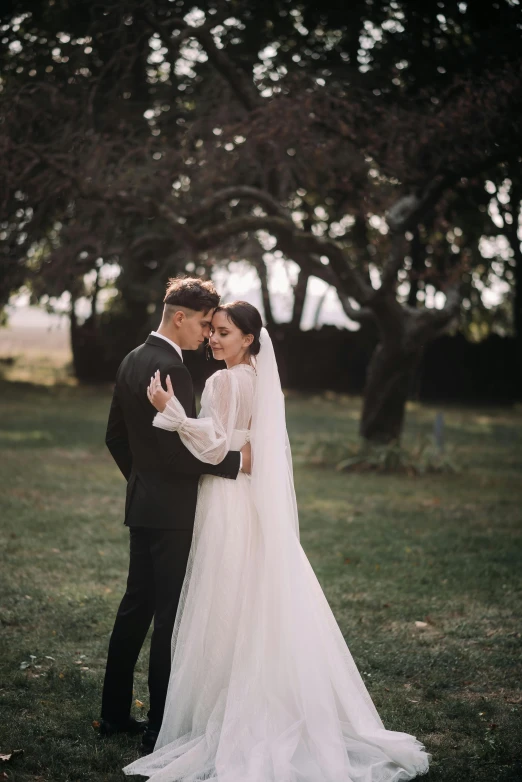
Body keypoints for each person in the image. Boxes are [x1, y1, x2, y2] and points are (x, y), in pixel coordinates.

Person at [123, 301, 431, 782]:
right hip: (247, 498)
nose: (214, 339)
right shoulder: (257, 381)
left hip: (224, 498)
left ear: (248, 339)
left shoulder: (223, 381)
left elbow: (211, 445)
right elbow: (245, 445)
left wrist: (174, 414)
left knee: (221, 597)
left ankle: (217, 710)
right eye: (213, 331)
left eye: (224, 332)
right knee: (250, 595)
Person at [99, 278, 251, 754]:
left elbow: (115, 438)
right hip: (176, 511)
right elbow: (178, 452)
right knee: (170, 617)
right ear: (179, 317)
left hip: (143, 505)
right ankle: (157, 727)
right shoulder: (173, 368)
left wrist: (140, 483)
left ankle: (112, 713)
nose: (206, 335)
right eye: (204, 324)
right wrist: (231, 464)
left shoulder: (130, 359)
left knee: (134, 607)